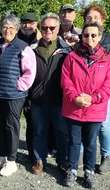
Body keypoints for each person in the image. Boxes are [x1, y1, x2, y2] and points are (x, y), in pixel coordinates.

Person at [61, 22, 110, 189]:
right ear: (81, 37)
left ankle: (89, 172)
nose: (89, 38)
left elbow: (108, 85)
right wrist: (75, 98)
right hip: (73, 108)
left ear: (100, 37)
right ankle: (72, 170)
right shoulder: (71, 57)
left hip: (95, 109)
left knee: (90, 143)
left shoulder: (107, 59)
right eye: (86, 35)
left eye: (93, 35)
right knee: (73, 142)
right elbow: (66, 81)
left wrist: (93, 98)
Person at [0, 13, 36, 176]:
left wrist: (18, 86)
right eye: (4, 27)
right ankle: (2, 156)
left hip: (13, 95)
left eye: (11, 27)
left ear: (16, 29)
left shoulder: (23, 47)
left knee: (11, 127)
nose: (7, 30)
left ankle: (11, 160)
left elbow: (29, 72)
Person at [29, 13, 72, 175]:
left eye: (52, 28)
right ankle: (39, 160)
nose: (48, 30)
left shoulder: (67, 50)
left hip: (59, 99)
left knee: (62, 131)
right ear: (41, 29)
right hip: (38, 98)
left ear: (58, 28)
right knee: (39, 131)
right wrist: (27, 97)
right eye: (45, 27)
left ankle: (62, 160)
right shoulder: (32, 49)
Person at [82, 5, 110, 174]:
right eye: (89, 18)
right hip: (83, 91)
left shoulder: (107, 40)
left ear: (102, 20)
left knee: (104, 126)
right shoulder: (82, 39)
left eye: (96, 17)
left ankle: (106, 156)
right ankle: (82, 152)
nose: (92, 20)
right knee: (83, 122)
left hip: (102, 90)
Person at [17, 12, 41, 162]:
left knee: (33, 125)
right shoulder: (14, 39)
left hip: (34, 90)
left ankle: (33, 155)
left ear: (36, 25)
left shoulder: (40, 40)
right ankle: (8, 153)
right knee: (11, 123)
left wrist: (30, 96)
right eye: (24, 22)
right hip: (16, 88)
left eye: (31, 23)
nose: (27, 25)